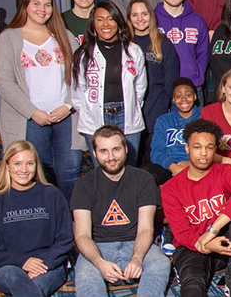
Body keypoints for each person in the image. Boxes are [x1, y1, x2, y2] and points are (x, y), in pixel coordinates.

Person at [0, 0, 84, 201]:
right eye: (36, 3)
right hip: (30, 120)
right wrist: (32, 112)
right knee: (37, 175)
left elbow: (81, 75)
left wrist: (69, 105)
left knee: (69, 174)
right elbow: (4, 82)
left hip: (65, 118)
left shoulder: (63, 35)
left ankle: (69, 224)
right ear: (25, 5)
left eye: (47, 4)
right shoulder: (9, 39)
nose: (42, 9)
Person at [161, 119, 231, 297]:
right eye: (197, 147)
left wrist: (213, 230)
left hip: (226, 245)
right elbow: (182, 233)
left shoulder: (224, 172)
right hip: (193, 247)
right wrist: (206, 243)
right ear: (187, 149)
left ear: (215, 150)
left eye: (209, 147)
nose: (204, 153)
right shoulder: (171, 188)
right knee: (192, 288)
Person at [71, 125, 170, 296]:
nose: (110, 157)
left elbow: (146, 228)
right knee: (86, 274)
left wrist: (137, 258)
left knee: (161, 263)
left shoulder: (144, 180)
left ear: (125, 149)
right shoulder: (84, 184)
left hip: (136, 242)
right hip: (98, 245)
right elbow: (82, 235)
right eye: (103, 151)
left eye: (116, 149)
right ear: (94, 153)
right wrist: (99, 262)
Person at [0, 140, 73, 297]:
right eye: (17, 163)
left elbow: (65, 238)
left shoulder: (52, 194)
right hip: (8, 267)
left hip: (49, 264)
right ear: (7, 166)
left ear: (36, 166)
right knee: (15, 278)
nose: (23, 169)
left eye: (29, 163)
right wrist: (23, 262)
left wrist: (42, 263)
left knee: (33, 287)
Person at [71, 1, 146, 166]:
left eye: (110, 19)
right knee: (103, 172)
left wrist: (132, 106)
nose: (105, 24)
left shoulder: (133, 51)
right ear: (93, 25)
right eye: (100, 20)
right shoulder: (83, 55)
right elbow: (77, 93)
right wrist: (89, 110)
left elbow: (140, 87)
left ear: (118, 23)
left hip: (127, 117)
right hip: (96, 118)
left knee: (129, 172)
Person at [127, 0, 180, 161]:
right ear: (129, 18)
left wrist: (164, 107)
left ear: (151, 16)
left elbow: (171, 80)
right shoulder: (124, 43)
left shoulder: (163, 43)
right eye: (135, 15)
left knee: (153, 160)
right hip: (131, 109)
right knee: (133, 159)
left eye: (144, 14)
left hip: (156, 108)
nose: (140, 19)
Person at [155, 0, 209, 105]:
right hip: (162, 89)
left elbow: (203, 55)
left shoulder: (197, 21)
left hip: (192, 87)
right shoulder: (152, 20)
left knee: (197, 127)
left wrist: (196, 76)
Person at [148, 77, 200, 185]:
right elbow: (156, 151)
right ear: (173, 99)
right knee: (146, 175)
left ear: (195, 96)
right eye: (178, 96)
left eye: (188, 95)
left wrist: (192, 164)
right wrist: (172, 166)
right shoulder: (163, 120)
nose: (184, 99)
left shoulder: (205, 116)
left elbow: (213, 149)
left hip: (199, 166)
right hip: (170, 167)